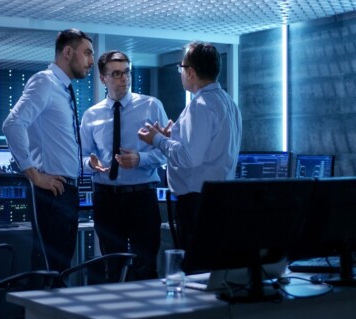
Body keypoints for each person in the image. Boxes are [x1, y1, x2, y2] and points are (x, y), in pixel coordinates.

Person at [2, 28, 94, 272]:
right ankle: (38, 311)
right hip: (52, 192)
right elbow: (13, 124)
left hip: (65, 191)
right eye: (87, 54)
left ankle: (51, 310)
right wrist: (33, 174)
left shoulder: (62, 88)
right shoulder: (45, 82)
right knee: (49, 268)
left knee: (59, 267)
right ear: (67, 52)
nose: (91, 61)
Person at [138, 41, 242, 251]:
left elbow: (189, 158)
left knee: (196, 269)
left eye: (181, 67)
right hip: (217, 198)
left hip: (197, 203)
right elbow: (206, 147)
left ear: (191, 72)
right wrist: (171, 137)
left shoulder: (200, 106)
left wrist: (157, 140)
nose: (181, 72)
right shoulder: (228, 103)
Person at [80, 50, 168, 280]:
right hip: (106, 198)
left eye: (127, 73)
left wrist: (141, 158)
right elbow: (80, 159)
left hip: (142, 198)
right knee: (112, 268)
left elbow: (167, 152)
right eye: (116, 74)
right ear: (103, 79)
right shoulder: (91, 115)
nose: (124, 79)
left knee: (146, 267)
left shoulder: (151, 106)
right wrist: (90, 164)